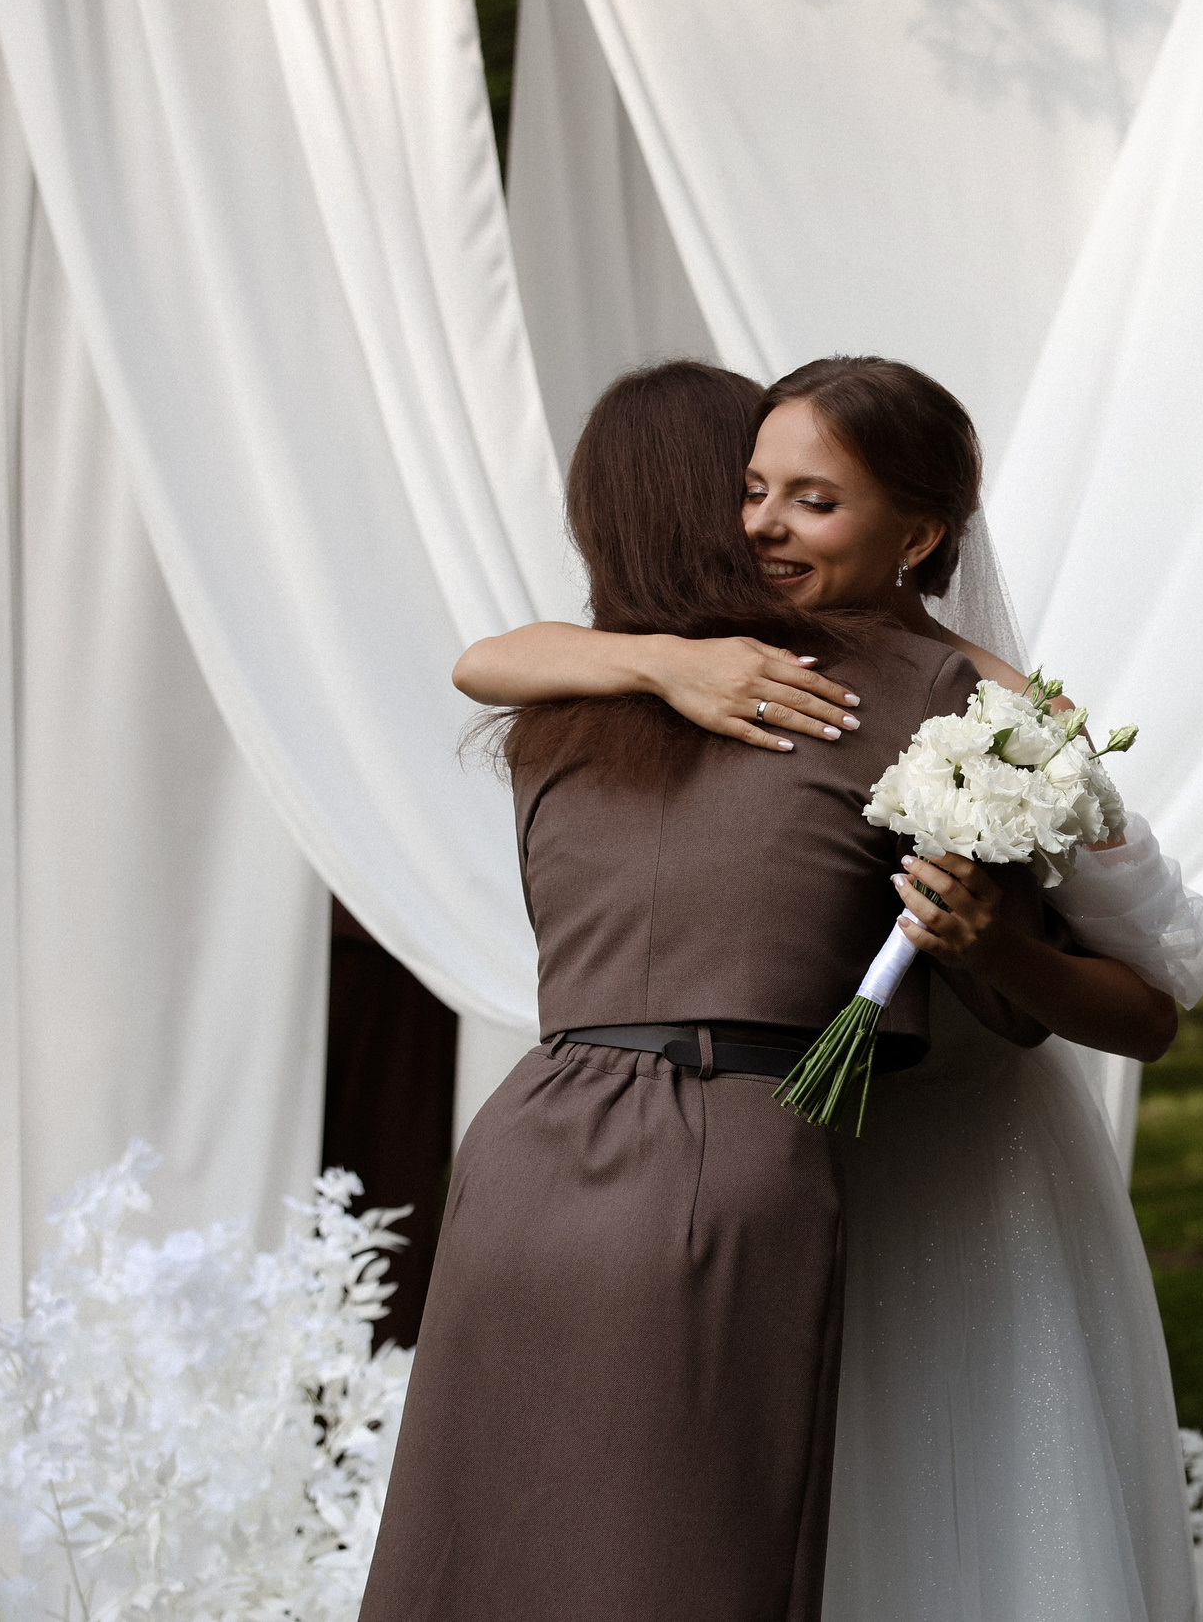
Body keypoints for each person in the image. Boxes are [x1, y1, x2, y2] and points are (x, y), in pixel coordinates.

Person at [362, 360, 1157, 1619]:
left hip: (533, 1144)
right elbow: (485, 658)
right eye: (749, 491)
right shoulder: (791, 689)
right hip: (724, 1150)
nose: (766, 525)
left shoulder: (584, 708)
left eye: (810, 499)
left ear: (919, 532)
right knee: (690, 1555)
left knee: (498, 1556)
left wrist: (992, 938)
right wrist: (663, 664)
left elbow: (483, 662)